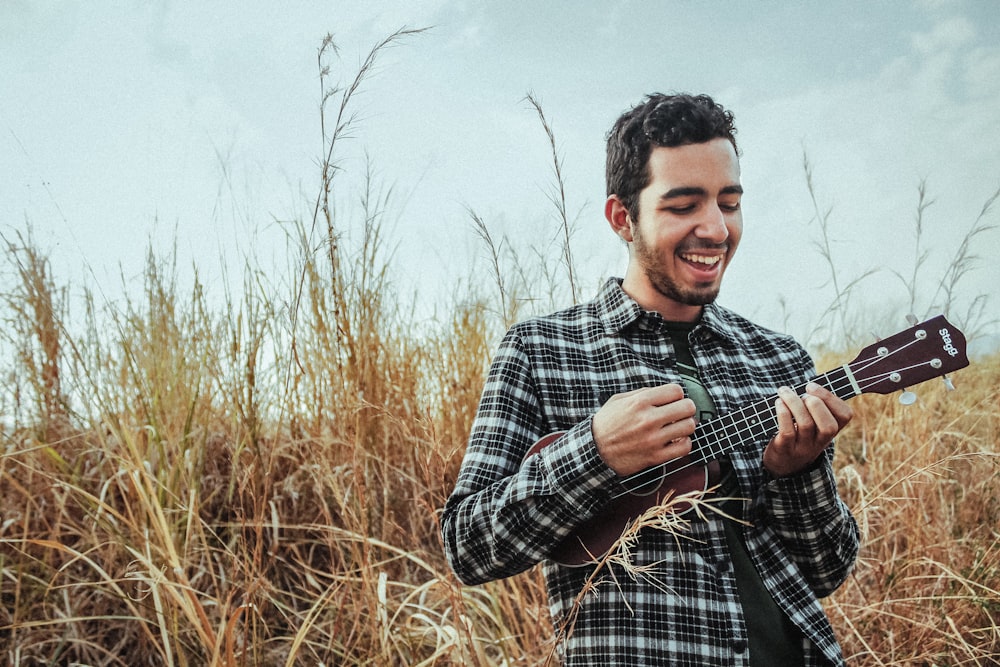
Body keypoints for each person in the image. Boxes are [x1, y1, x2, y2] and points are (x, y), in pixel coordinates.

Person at [441, 93, 860, 666]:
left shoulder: (779, 359)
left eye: (729, 203)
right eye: (683, 205)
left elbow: (826, 571)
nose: (715, 228)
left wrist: (798, 474)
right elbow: (468, 545)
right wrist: (594, 453)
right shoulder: (541, 351)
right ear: (622, 218)